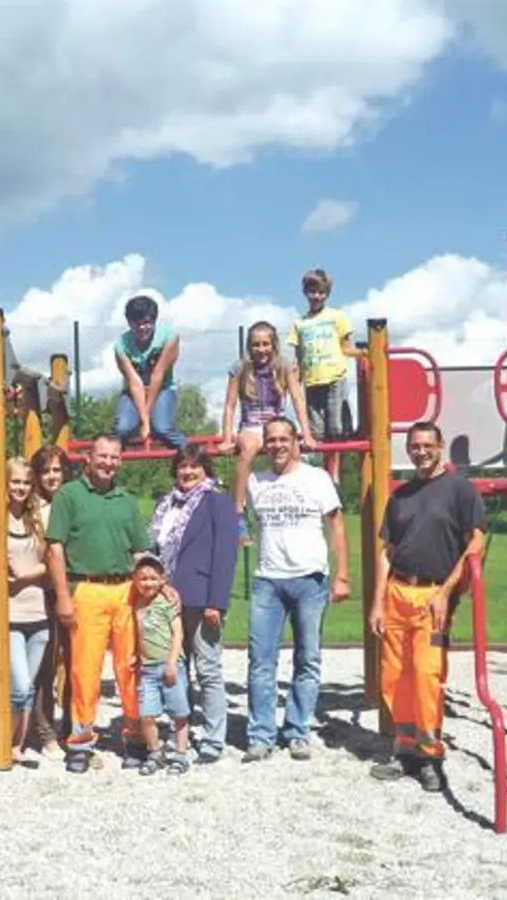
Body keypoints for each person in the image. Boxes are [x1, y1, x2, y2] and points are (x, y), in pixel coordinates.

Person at [369, 420, 487, 792]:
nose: (420, 451)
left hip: (433, 596)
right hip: (397, 593)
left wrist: (446, 592)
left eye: (426, 445)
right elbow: (386, 552)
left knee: (425, 675)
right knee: (394, 675)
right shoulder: (400, 496)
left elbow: (476, 544)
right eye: (414, 446)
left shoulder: (459, 490)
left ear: (440, 446)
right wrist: (377, 602)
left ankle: (430, 755)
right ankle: (404, 749)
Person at [242, 416, 350, 763]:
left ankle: (297, 729)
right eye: (270, 440)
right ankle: (261, 734)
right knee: (261, 661)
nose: (276, 446)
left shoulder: (316, 478)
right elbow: (235, 497)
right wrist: (245, 451)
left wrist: (343, 574)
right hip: (268, 580)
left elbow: (336, 525)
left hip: (310, 578)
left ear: (295, 442)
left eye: (282, 439)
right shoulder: (256, 480)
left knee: (308, 658)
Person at [45, 432, 154, 773]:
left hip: (124, 589)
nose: (108, 463)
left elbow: (141, 551)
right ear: (88, 458)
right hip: (87, 589)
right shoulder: (70, 495)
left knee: (130, 667)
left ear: (121, 461)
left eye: (114, 457)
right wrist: (63, 595)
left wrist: (152, 591)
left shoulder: (126, 500)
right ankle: (81, 740)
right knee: (85, 669)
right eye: (102, 456)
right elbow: (55, 548)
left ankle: (135, 737)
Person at [147, 443, 237, 763]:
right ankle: (181, 731)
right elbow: (154, 549)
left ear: (205, 470)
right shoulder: (165, 505)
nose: (187, 472)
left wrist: (217, 602)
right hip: (169, 599)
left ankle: (213, 739)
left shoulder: (218, 503)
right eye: (182, 467)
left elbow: (225, 555)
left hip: (203, 600)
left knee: (208, 669)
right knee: (176, 669)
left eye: (194, 467)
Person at [0, 457, 51, 763]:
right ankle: (3, 743)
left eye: (26, 483)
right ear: (5, 484)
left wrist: (26, 575)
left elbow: (49, 562)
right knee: (18, 689)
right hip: (10, 614)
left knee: (27, 688)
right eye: (15, 481)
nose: (21, 487)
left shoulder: (36, 521)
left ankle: (17, 745)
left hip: (38, 613)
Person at [220, 321, 317, 542]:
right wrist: (227, 437)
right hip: (252, 424)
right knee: (247, 450)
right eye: (256, 345)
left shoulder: (283, 367)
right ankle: (238, 512)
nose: (261, 349)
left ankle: (297, 507)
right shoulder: (240, 368)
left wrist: (307, 434)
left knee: (293, 453)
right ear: (249, 347)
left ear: (274, 345)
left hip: (276, 422)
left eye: (266, 344)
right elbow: (229, 405)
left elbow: (298, 400)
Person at [129, 553, 190, 776]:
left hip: (169, 665)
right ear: (135, 580)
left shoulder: (167, 604)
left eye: (153, 579)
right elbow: (140, 634)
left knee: (179, 713)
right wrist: (136, 654)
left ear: (162, 580)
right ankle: (155, 752)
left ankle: (181, 754)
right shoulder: (136, 605)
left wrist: (173, 662)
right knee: (147, 715)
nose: (148, 583)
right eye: (143, 579)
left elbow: (178, 633)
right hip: (148, 669)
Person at [287, 268, 364, 442]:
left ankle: (337, 466)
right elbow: (298, 359)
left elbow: (345, 348)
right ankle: (327, 467)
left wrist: (366, 354)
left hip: (334, 377)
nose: (317, 296)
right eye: (312, 292)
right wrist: (292, 384)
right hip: (312, 380)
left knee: (336, 427)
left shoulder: (336, 316)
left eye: (321, 292)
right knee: (317, 432)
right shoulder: (299, 323)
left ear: (327, 294)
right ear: (305, 293)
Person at [28, 444, 70, 752]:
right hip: (41, 589)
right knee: (44, 660)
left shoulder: (73, 501)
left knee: (73, 660)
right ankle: (44, 729)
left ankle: (72, 726)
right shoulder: (31, 506)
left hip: (72, 587)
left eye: (57, 470)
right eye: (45, 471)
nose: (52, 476)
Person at [113, 293, 185, 449]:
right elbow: (134, 382)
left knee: (162, 428)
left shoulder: (169, 337)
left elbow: (157, 375)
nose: (141, 328)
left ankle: (193, 455)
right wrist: (145, 420)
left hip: (162, 388)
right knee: (121, 428)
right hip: (133, 392)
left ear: (154, 321)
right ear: (129, 323)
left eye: (146, 322)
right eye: (136, 323)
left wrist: (147, 420)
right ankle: (112, 460)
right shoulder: (121, 345)